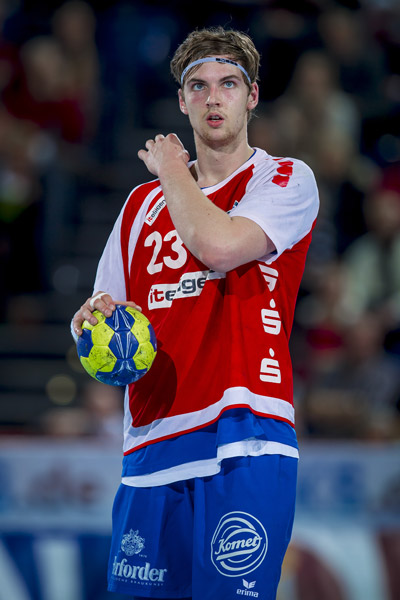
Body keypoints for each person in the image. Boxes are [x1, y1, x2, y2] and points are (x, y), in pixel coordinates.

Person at [72, 26, 319, 600]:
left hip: (245, 436)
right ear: (182, 102)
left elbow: (220, 246)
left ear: (251, 96)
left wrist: (171, 172)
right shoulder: (139, 205)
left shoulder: (284, 178)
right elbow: (100, 311)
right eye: (198, 86)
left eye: (228, 84)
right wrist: (89, 319)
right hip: (152, 444)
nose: (213, 97)